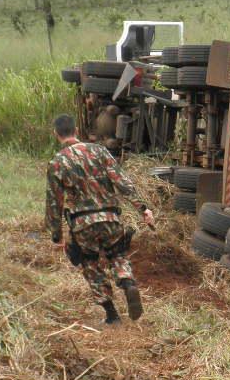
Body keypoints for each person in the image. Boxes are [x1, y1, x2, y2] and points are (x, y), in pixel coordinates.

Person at [45, 113, 154, 324]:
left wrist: (56, 234)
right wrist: (143, 209)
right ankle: (127, 283)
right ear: (76, 130)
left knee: (90, 264)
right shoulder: (100, 151)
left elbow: (54, 202)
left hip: (82, 224)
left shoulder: (56, 162)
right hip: (111, 218)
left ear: (56, 134)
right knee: (117, 254)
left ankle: (112, 314)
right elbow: (122, 182)